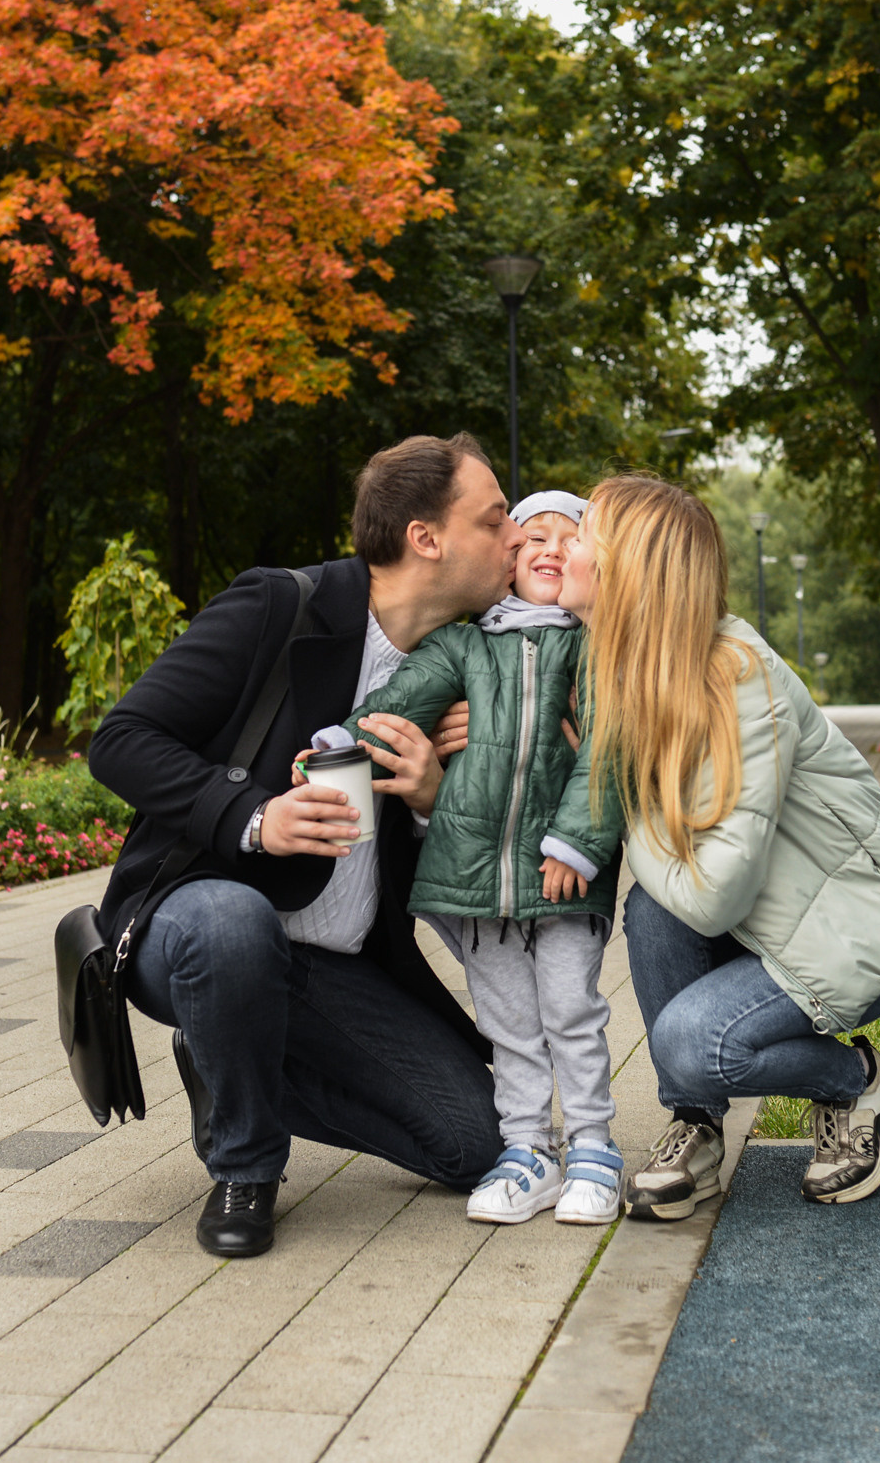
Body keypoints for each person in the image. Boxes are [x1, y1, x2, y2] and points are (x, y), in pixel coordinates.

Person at [86, 433, 523, 1259]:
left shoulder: (461, 668)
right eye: (496, 517)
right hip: (194, 920)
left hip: (333, 967)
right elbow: (122, 738)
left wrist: (433, 799)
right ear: (426, 538)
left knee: (474, 1144)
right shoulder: (280, 608)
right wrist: (255, 817)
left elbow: (451, 876)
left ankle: (226, 1058)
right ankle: (246, 1165)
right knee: (231, 921)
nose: (517, 536)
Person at [555, 476, 880, 1218]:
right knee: (652, 909)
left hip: (851, 931)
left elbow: (715, 892)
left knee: (688, 1044)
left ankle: (859, 1085)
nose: (563, 547)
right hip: (761, 930)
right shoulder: (622, 669)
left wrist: (627, 813)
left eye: (581, 536)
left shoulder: (736, 677)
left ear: (628, 569)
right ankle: (696, 1126)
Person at [335, 490, 627, 1226]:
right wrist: (345, 746)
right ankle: (528, 1150)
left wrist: (578, 843)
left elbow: (608, 751)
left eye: (570, 537)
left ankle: (593, 1145)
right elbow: (395, 708)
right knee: (510, 1024)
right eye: (533, 538)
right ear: (506, 563)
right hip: (474, 884)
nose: (551, 549)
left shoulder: (596, 651)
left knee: (571, 1011)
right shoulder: (462, 647)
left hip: (560, 878)